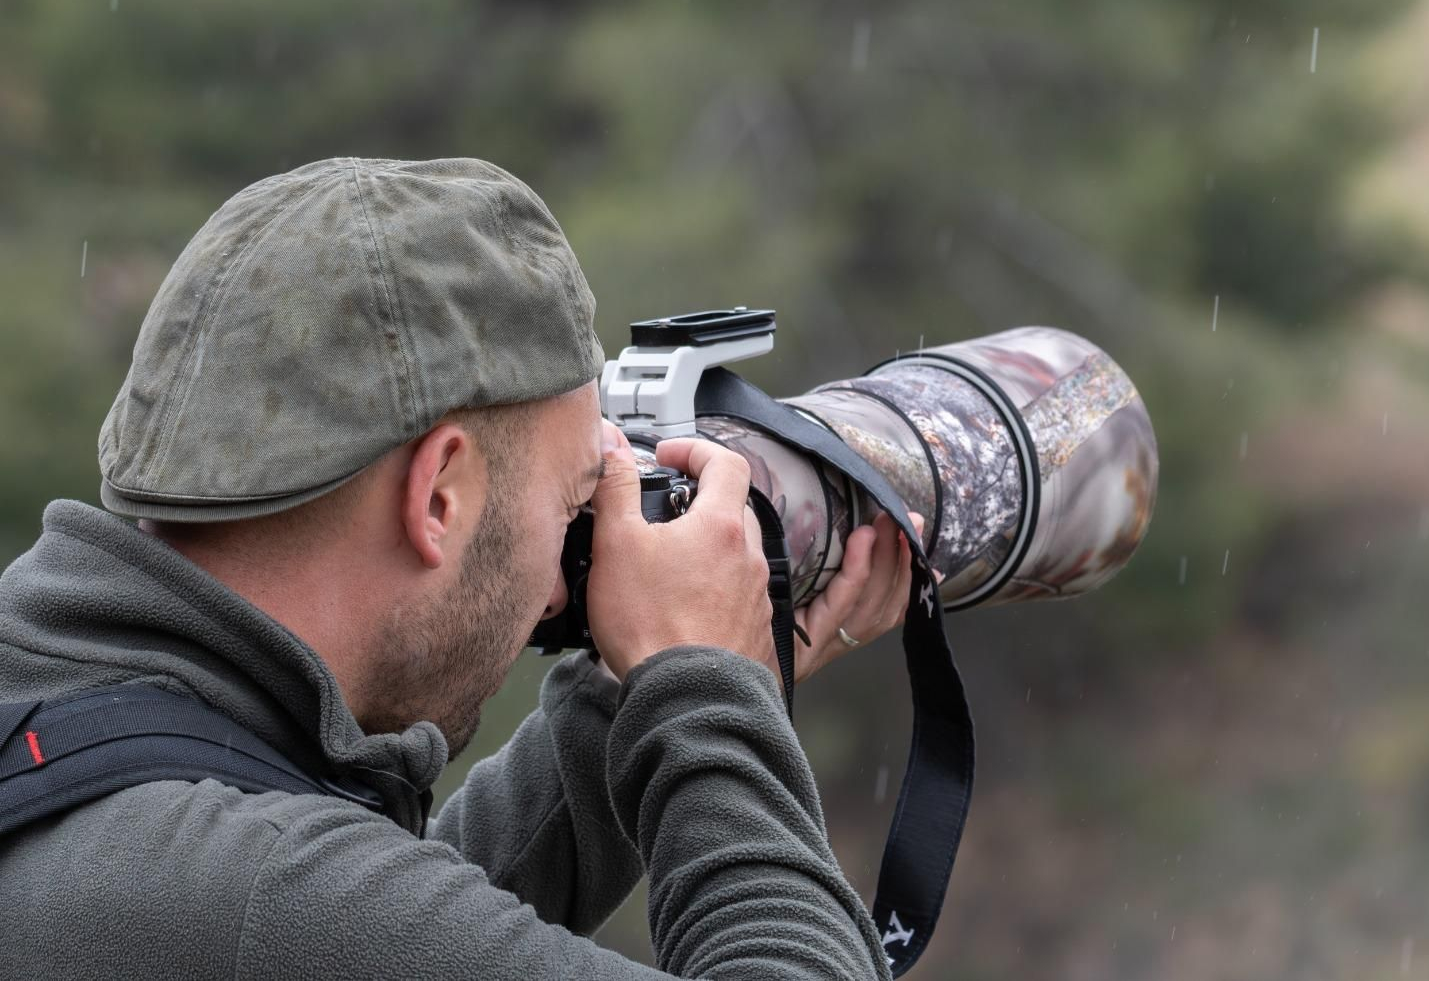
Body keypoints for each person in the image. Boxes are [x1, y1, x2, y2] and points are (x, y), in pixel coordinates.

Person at [0, 157, 923, 978]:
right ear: (438, 494)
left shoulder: (71, 731)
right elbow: (327, 911)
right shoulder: (252, 895)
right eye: (572, 505)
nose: (567, 588)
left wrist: (634, 694)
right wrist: (709, 690)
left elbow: (393, 914)